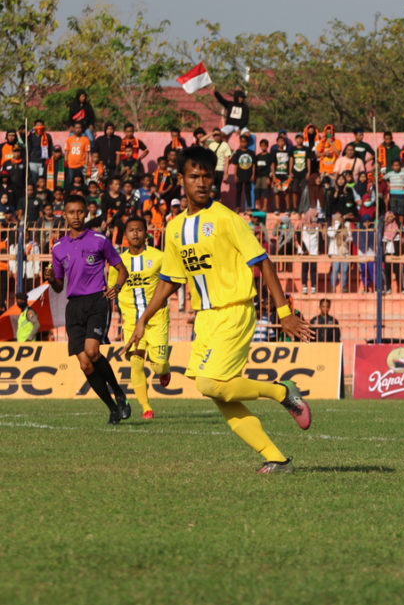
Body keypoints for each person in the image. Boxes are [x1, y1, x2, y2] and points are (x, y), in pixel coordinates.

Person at [127, 146, 315, 474]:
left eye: (207, 177)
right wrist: (143, 320)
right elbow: (169, 281)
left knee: (211, 384)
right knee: (220, 395)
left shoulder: (228, 220)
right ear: (181, 180)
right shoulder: (173, 230)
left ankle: (281, 391)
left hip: (235, 309)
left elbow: (263, 262)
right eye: (193, 176)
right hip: (206, 318)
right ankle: (277, 459)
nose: (201, 183)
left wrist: (284, 312)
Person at [47, 194, 130, 424]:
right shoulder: (58, 248)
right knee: (85, 364)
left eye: (80, 212)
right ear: (64, 215)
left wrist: (117, 287)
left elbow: (122, 269)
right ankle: (113, 408)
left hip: (96, 301)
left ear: (86, 213)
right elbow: (58, 286)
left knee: (93, 352)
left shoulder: (99, 240)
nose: (76, 216)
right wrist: (51, 279)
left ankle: (119, 392)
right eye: (71, 212)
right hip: (73, 307)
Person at [111, 216, 171, 420]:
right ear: (125, 235)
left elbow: (170, 283)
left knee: (159, 365)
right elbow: (113, 289)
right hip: (130, 321)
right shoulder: (118, 262)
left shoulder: (160, 257)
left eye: (139, 230)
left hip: (157, 319)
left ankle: (164, 371)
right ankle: (146, 407)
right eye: (131, 230)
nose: (135, 233)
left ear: (146, 233)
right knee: (136, 363)